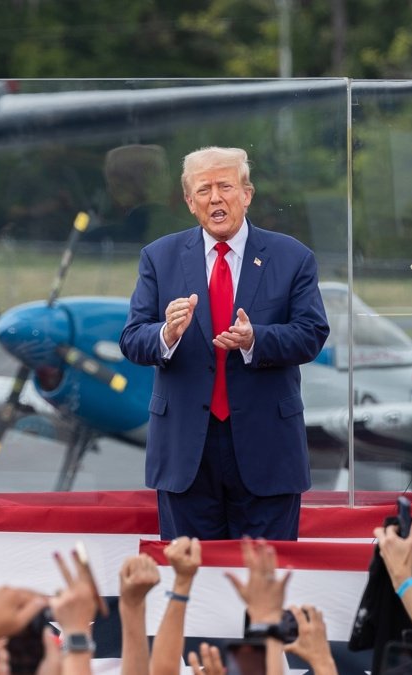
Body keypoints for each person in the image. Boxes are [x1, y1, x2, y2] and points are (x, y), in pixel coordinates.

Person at [120, 145, 329, 541]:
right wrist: (166, 334)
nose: (215, 198)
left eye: (225, 186)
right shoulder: (158, 257)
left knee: (266, 587)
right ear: (189, 201)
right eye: (203, 190)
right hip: (185, 454)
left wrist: (255, 340)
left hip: (267, 450)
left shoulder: (292, 257)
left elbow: (312, 333)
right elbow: (132, 338)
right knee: (192, 587)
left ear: (246, 194)